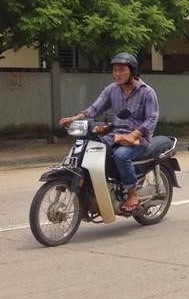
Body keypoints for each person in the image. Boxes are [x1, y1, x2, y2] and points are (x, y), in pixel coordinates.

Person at [60, 52, 159, 212]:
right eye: (115, 70)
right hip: (115, 134)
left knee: (120, 156)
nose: (117, 74)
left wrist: (134, 134)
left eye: (121, 70)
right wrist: (74, 118)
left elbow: (152, 119)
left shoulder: (147, 92)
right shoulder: (112, 90)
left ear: (132, 71)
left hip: (138, 139)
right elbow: (95, 108)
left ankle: (132, 194)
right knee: (93, 148)